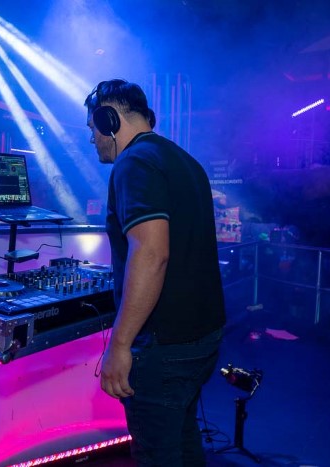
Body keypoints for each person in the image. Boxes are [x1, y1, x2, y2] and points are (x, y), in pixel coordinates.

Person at [84, 79, 226, 466]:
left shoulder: (134, 163)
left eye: (93, 128)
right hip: (202, 336)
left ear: (109, 120)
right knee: (183, 440)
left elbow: (151, 254)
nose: (92, 139)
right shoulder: (184, 161)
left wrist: (120, 345)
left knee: (156, 455)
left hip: (164, 345)